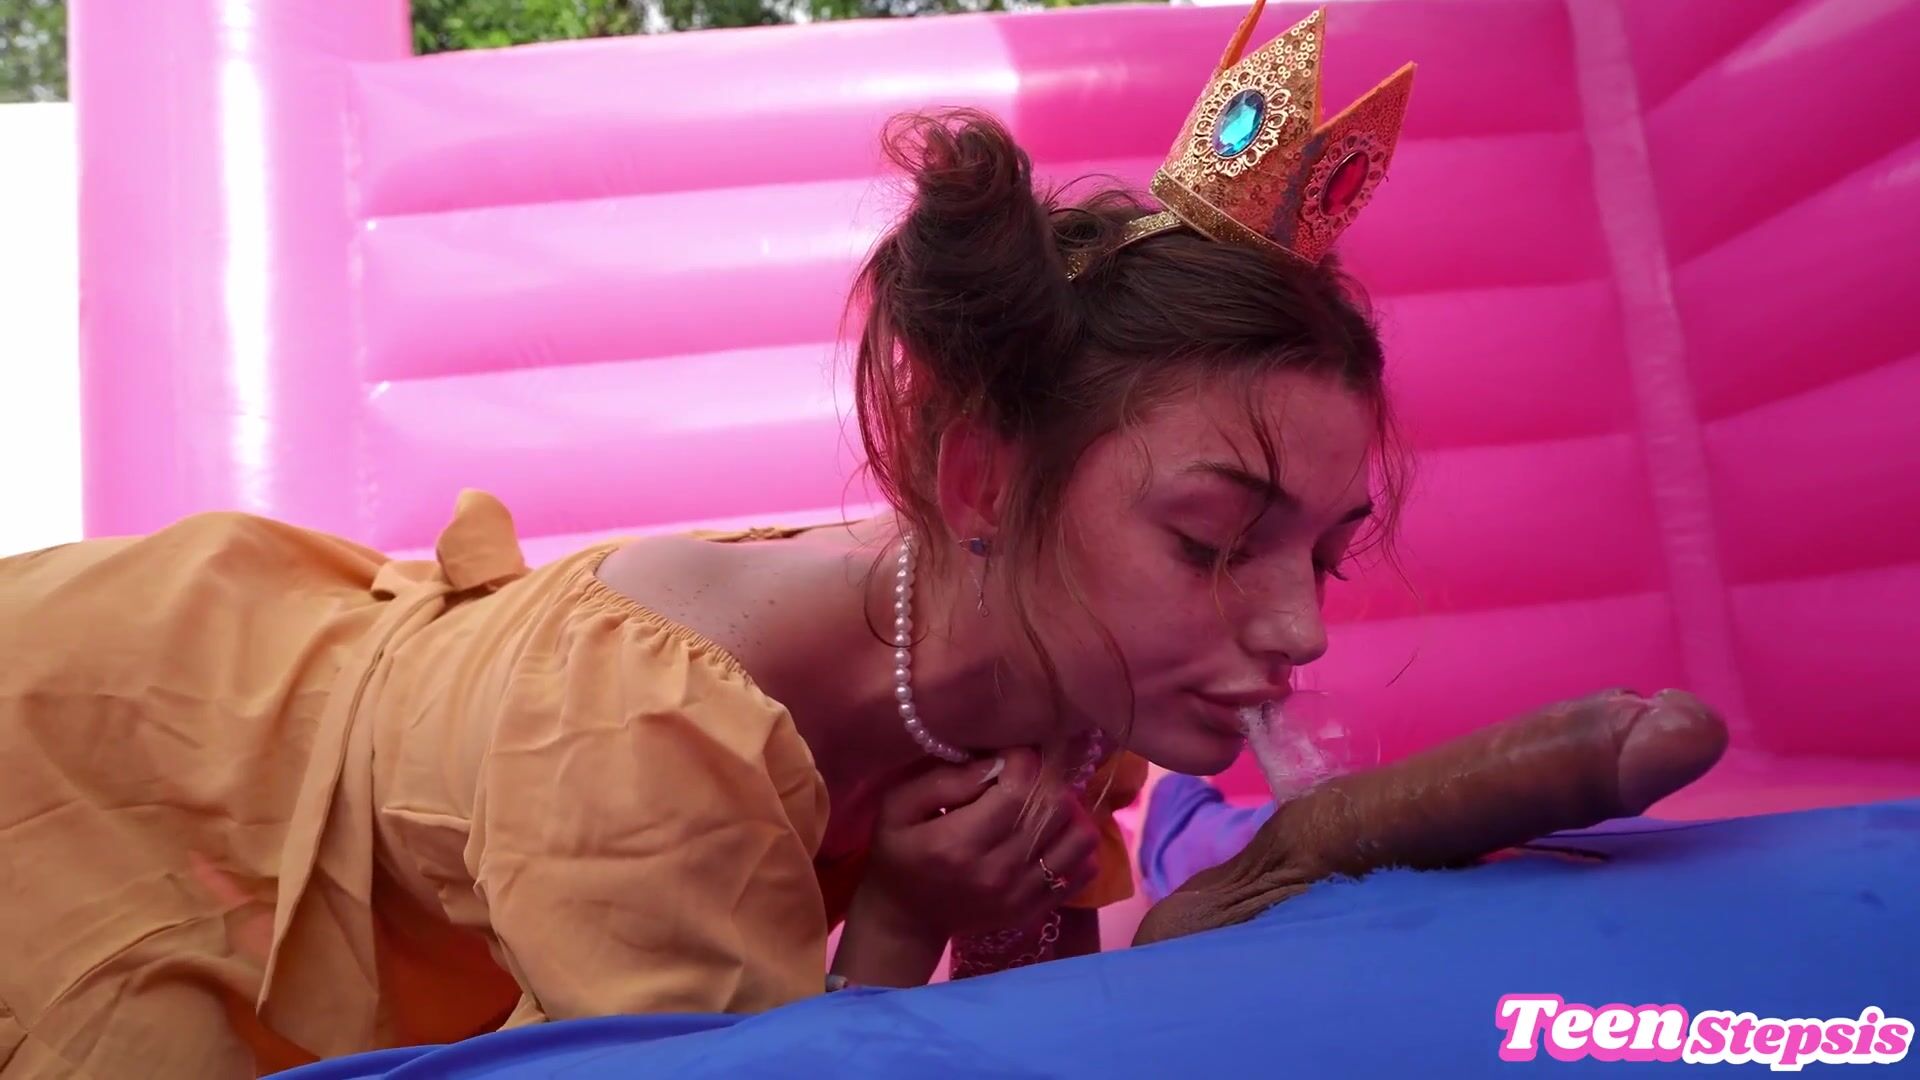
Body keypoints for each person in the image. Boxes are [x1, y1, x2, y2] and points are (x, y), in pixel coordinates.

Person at [0, 5, 1727, 1078]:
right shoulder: (649, 745)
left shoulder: (1061, 672)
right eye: (1213, 540)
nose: (1300, 629)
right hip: (129, 748)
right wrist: (898, 916)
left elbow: (1033, 1012)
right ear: (979, 481)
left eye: (1325, 553)